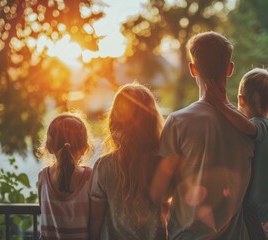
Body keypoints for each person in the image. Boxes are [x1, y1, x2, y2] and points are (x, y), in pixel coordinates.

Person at [150, 31, 255, 240]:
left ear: (192, 69)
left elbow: (160, 193)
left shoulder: (178, 122)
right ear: (230, 69)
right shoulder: (248, 128)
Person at [206, 68, 268, 239]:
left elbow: (248, 127)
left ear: (240, 99)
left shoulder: (260, 125)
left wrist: (220, 104)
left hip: (254, 215)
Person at [89, 82, 166, 240]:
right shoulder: (162, 164)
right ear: (152, 120)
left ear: (114, 121)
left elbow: (95, 219)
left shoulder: (104, 166)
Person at [37, 112, 93, 239]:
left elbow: (42, 210)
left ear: (50, 148)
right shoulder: (90, 177)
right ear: (84, 148)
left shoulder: (43, 177)